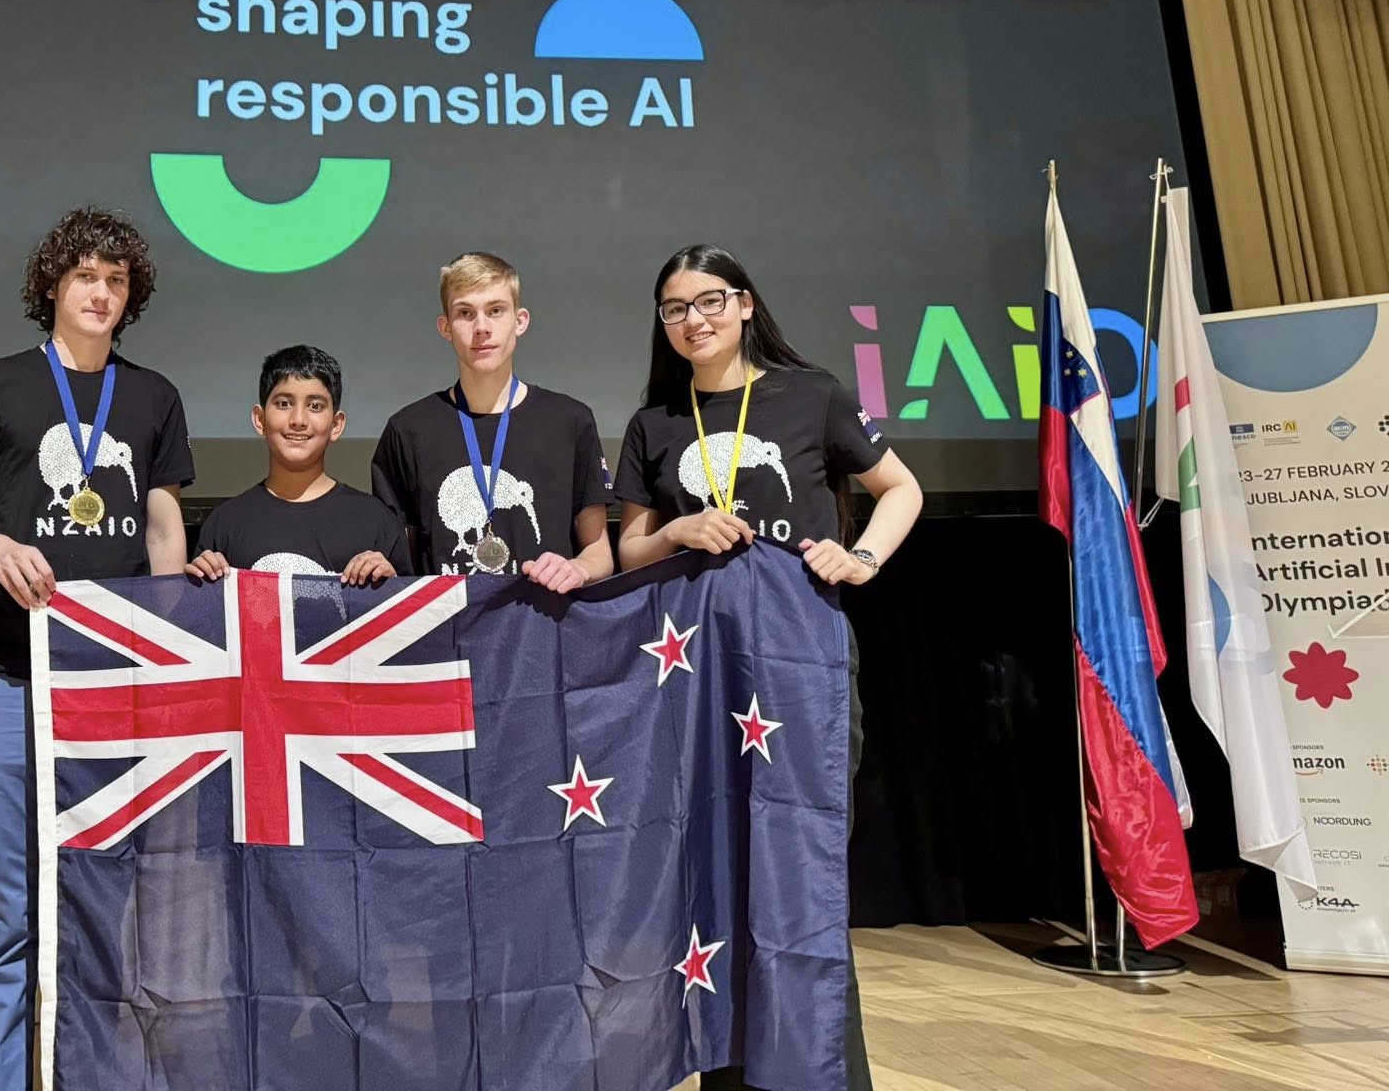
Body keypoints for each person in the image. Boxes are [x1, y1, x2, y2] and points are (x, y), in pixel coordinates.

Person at [612, 243, 922, 1091]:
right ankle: (729, 1071)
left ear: (745, 304)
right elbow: (627, 549)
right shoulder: (656, 424)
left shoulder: (810, 393)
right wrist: (676, 532)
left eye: (709, 300)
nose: (693, 320)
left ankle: (822, 1071)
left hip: (798, 662)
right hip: (694, 675)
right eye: (674, 308)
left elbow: (903, 489)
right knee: (712, 874)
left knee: (800, 871)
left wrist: (860, 557)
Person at [0, 207, 195, 1091]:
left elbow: (163, 527)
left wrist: (169, 647)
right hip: (10, 683)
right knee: (8, 914)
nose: (102, 292)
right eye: (86, 275)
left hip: (115, 693)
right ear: (53, 285)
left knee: (109, 906)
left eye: (118, 281)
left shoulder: (153, 396)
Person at [372, 251, 613, 590]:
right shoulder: (408, 430)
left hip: (540, 627)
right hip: (446, 634)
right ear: (445, 327)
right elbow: (398, 561)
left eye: (496, 310)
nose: (482, 327)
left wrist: (579, 569)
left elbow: (599, 551)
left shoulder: (570, 421)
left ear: (520, 321)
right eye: (465, 313)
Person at [185, 344, 411, 584]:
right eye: (284, 403)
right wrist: (200, 584)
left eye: (315, 406)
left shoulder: (377, 522)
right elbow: (200, 617)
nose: (298, 420)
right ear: (260, 419)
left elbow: (415, 614)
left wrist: (392, 585)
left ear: (336, 425)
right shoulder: (225, 524)